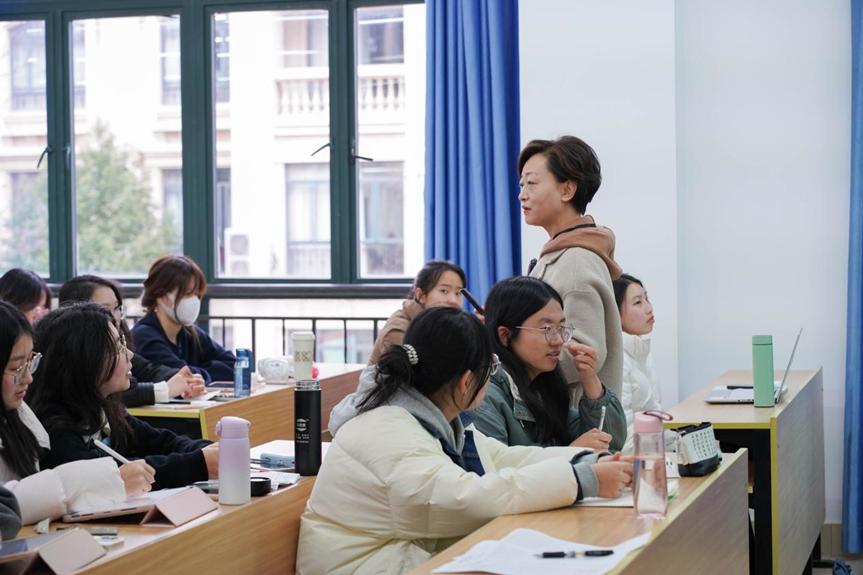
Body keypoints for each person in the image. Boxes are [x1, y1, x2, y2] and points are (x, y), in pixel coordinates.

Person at [297, 307, 633, 575]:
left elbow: (503, 458)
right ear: (466, 381)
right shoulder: (388, 433)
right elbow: (465, 499)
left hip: (403, 555)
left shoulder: (433, 418)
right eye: (490, 369)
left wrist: (589, 462)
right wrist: (581, 480)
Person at [28, 303, 218, 489]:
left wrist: (210, 451)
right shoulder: (56, 432)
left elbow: (163, 442)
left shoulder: (103, 408)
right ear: (85, 360)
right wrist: (198, 463)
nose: (130, 354)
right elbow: (115, 477)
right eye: (117, 348)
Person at [0, 301, 153, 527]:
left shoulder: (22, 420)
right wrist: (108, 480)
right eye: (16, 368)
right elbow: (9, 507)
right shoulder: (54, 426)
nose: (28, 378)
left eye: (30, 363)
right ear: (84, 356)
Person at [519, 136, 624, 403]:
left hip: (573, 419)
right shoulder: (561, 255)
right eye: (521, 185)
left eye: (532, 183)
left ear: (567, 190)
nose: (522, 194)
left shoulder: (577, 261)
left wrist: (511, 345)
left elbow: (581, 354)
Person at [473, 277, 626, 451]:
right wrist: (568, 453)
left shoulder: (542, 386)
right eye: (546, 329)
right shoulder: (484, 395)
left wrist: (590, 380)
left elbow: (609, 443)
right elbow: (493, 466)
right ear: (505, 335)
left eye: (561, 327)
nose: (558, 340)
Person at [59, 275, 206, 406]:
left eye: (117, 308)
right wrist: (165, 389)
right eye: (105, 309)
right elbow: (121, 393)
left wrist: (183, 378)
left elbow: (146, 369)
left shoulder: (119, 338)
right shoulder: (72, 354)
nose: (115, 317)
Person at [132, 255, 235, 384]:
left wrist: (199, 373)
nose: (194, 300)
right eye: (187, 294)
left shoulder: (189, 332)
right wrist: (207, 371)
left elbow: (234, 365)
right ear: (162, 296)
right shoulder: (144, 336)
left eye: (197, 294)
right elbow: (182, 377)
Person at [368, 260, 466, 364]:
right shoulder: (398, 332)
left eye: (458, 293)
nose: (453, 300)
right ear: (421, 295)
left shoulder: (442, 324)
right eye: (444, 291)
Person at [613, 273, 663, 453]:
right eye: (638, 302)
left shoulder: (641, 350)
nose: (649, 308)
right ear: (615, 313)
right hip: (634, 458)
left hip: (650, 450)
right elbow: (623, 440)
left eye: (646, 299)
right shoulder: (618, 360)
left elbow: (655, 414)